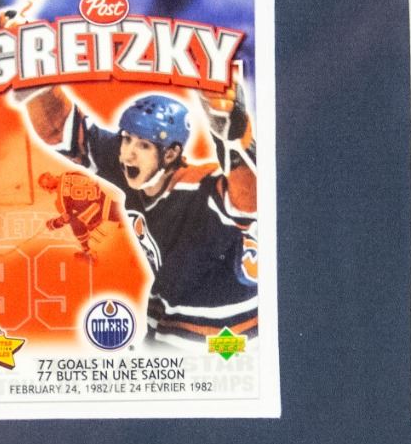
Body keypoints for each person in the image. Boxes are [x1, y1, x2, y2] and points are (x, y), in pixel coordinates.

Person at [22, 72, 258, 347]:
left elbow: (249, 201)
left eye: (143, 145)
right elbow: (60, 131)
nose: (128, 153)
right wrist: (37, 83)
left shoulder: (199, 186)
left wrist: (235, 140)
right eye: (127, 138)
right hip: (167, 314)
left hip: (227, 331)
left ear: (171, 154)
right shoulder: (136, 165)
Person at [36, 168, 117, 261]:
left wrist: (53, 224)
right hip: (107, 196)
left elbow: (66, 218)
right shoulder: (69, 173)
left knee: (75, 221)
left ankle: (88, 252)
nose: (50, 178)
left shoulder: (60, 201)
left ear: (48, 189)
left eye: (47, 180)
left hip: (99, 209)